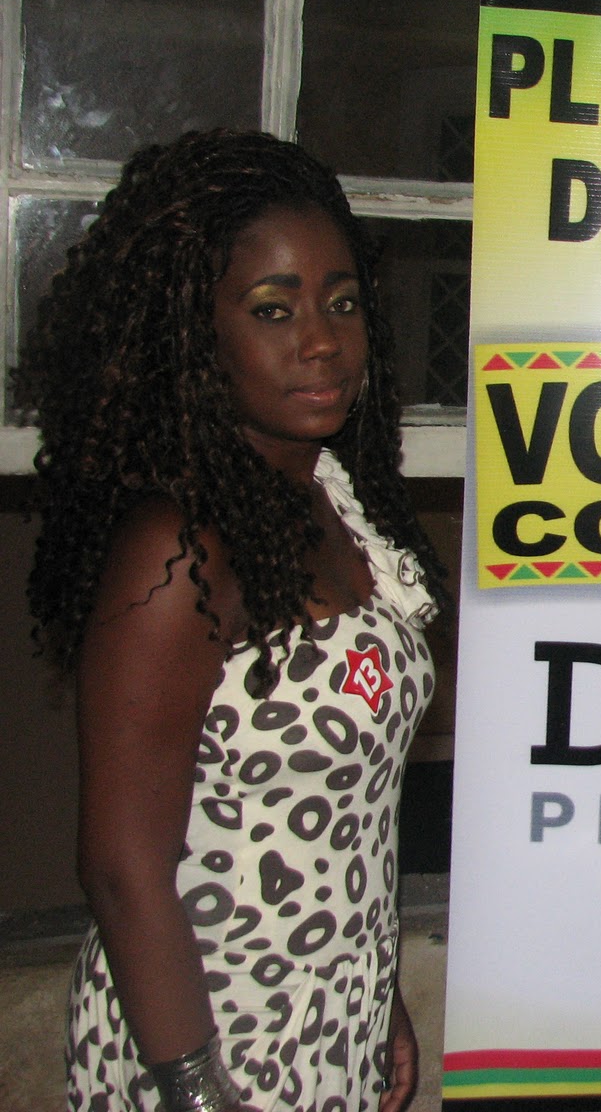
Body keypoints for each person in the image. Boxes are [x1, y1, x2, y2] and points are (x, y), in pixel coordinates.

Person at [18, 128, 451, 1112]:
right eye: (272, 309)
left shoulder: (339, 500)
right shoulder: (179, 552)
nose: (322, 341)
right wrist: (197, 1089)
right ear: (192, 333)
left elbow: (351, 823)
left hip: (327, 1017)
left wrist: (376, 990)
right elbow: (122, 869)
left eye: (343, 303)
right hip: (210, 1039)